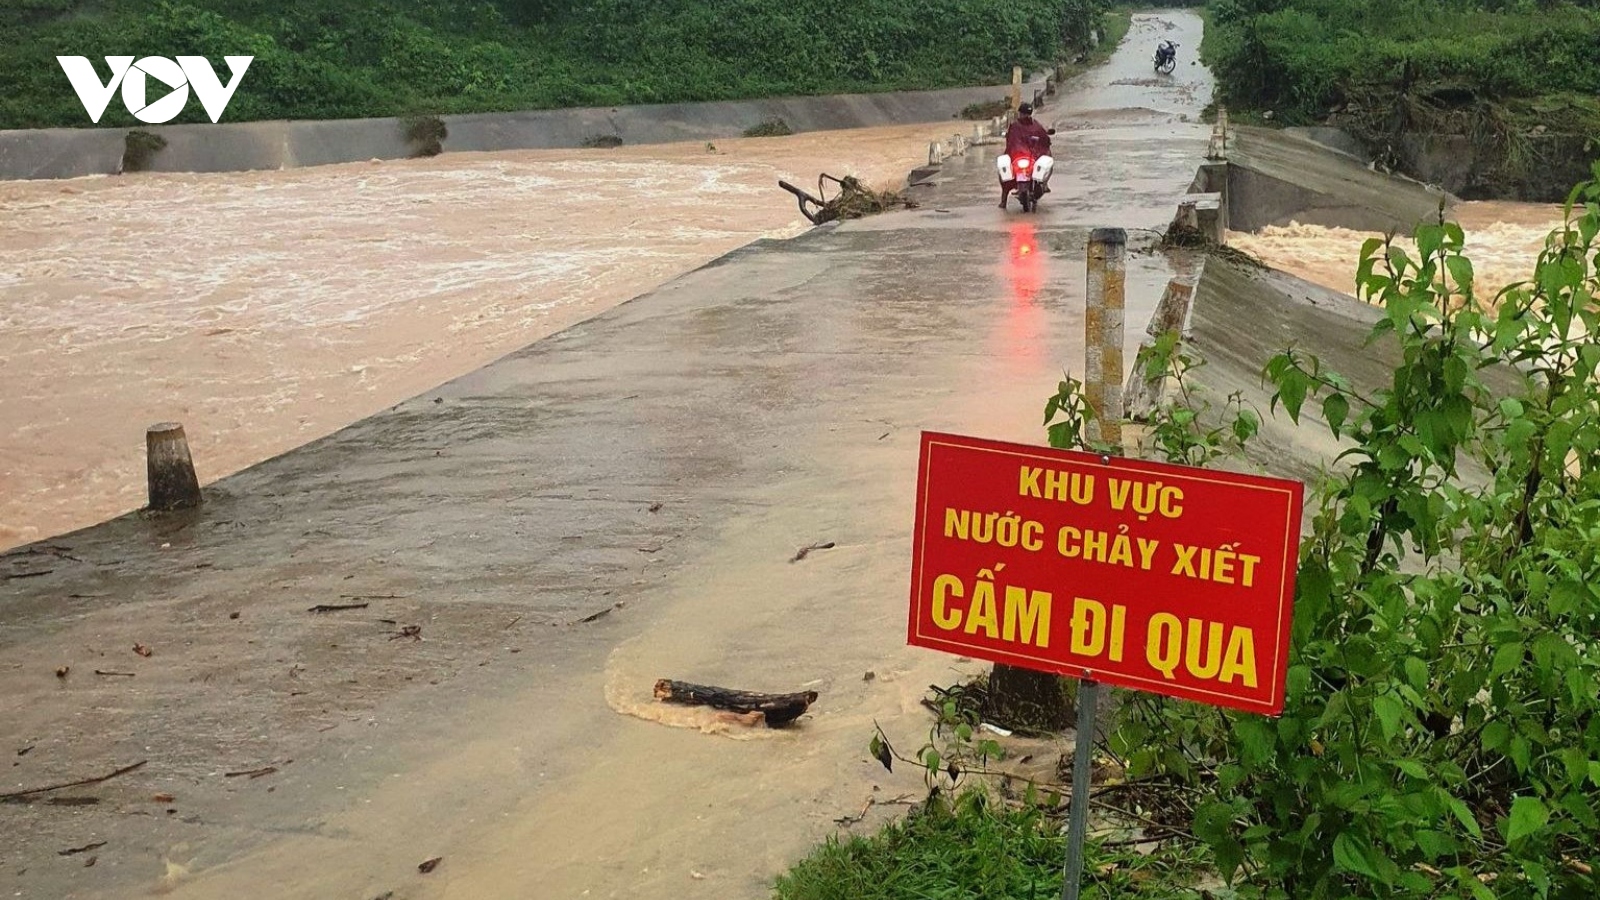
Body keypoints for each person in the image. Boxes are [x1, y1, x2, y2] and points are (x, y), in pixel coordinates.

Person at [996, 103, 1054, 209]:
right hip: (1019, 155)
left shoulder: (1034, 125)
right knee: (1005, 171)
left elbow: (1044, 138)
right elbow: (1011, 141)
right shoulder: (1016, 126)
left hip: (1032, 155)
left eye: (1024, 114)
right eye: (1024, 114)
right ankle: (1003, 200)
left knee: (1047, 161)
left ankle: (1044, 184)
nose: (1024, 116)